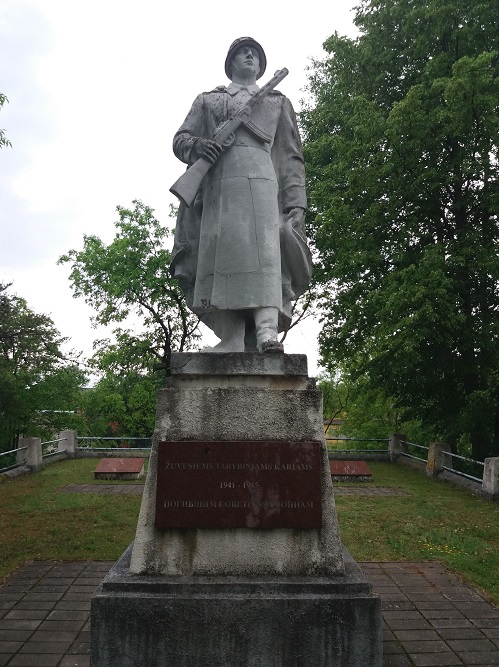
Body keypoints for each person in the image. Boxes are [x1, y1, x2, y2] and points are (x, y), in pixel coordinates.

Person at [170, 37, 311, 353]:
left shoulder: (276, 101)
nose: (250, 56)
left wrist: (295, 202)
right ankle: (231, 337)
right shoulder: (209, 100)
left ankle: (266, 333)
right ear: (230, 61)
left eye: (255, 54)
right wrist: (198, 146)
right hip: (219, 186)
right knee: (220, 257)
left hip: (264, 184)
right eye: (243, 52)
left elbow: (290, 156)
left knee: (266, 256)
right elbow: (180, 140)